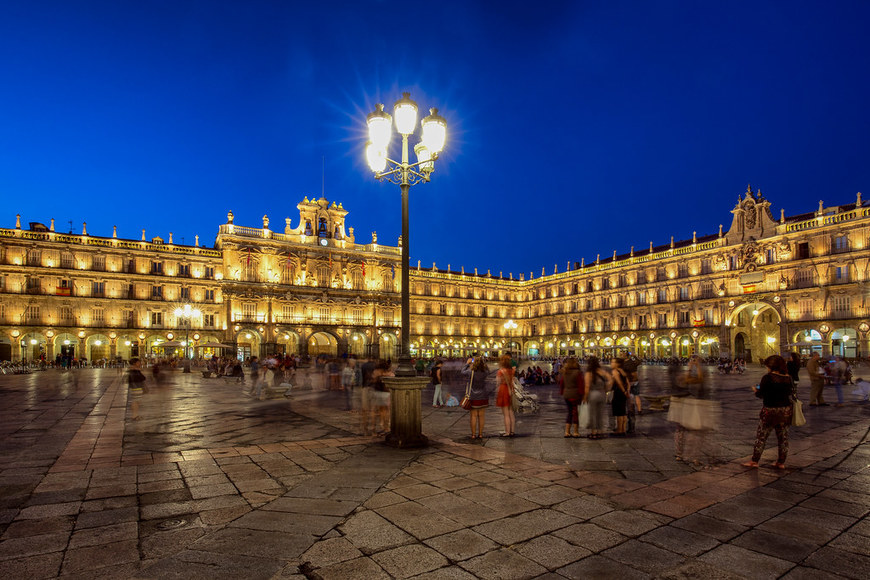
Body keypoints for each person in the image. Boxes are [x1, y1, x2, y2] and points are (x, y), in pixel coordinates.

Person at [743, 355, 795, 469]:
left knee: (762, 436)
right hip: (785, 410)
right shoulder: (788, 378)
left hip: (770, 410)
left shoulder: (768, 378)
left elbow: (761, 394)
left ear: (771, 366)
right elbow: (791, 392)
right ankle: (781, 462)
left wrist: (756, 390)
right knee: (783, 438)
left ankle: (754, 461)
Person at [462, 357, 492, 440]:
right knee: (481, 416)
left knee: (473, 416)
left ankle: (473, 434)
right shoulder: (484, 372)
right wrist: (484, 363)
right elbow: (489, 371)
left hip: (473, 396)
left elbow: (462, 372)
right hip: (483, 395)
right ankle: (480, 434)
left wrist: (467, 363)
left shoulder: (470, 372)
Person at [583, 356, 610, 439]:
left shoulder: (589, 373)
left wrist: (585, 397)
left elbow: (587, 386)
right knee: (600, 413)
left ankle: (593, 432)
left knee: (592, 413)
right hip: (602, 394)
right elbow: (611, 379)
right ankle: (600, 431)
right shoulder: (602, 371)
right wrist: (606, 389)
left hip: (593, 393)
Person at [559, 357, 584, 437]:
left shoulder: (565, 372)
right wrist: (582, 395)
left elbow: (561, 383)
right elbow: (580, 385)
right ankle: (576, 432)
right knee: (575, 413)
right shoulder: (578, 373)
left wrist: (562, 392)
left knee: (569, 413)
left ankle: (567, 432)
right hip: (575, 395)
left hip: (567, 395)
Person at [370, 360, 393, 435]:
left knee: (376, 411)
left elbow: (372, 380)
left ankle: (374, 428)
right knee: (386, 411)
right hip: (386, 394)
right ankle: (385, 427)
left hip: (376, 393)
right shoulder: (389, 373)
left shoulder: (376, 371)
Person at [495, 354, 516, 437]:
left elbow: (498, 382)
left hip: (503, 390)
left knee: (506, 414)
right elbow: (512, 380)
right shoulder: (512, 371)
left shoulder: (501, 371)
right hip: (511, 390)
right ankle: (512, 431)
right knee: (511, 413)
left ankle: (507, 432)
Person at [610, 358, 630, 436]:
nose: (611, 363)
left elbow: (619, 382)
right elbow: (627, 383)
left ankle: (619, 430)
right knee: (623, 411)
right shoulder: (622, 371)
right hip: (624, 393)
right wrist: (627, 391)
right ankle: (623, 429)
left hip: (619, 392)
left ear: (617, 364)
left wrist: (624, 391)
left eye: (613, 362)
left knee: (619, 412)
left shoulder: (615, 371)